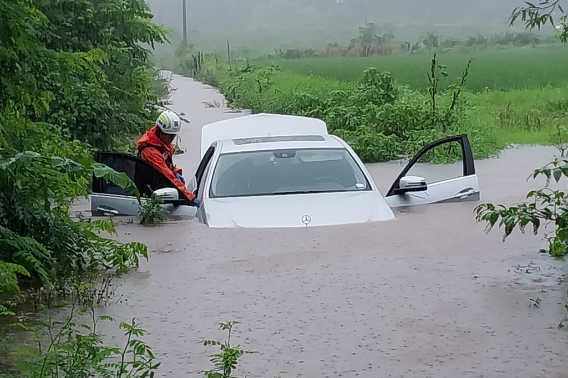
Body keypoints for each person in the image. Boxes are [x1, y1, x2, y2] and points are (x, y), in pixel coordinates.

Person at [137, 110, 200, 206]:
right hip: (151, 194)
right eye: (170, 136)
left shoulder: (162, 143)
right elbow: (167, 176)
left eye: (174, 136)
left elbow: (167, 166)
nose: (172, 139)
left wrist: (175, 171)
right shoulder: (150, 152)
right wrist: (189, 197)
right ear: (161, 132)